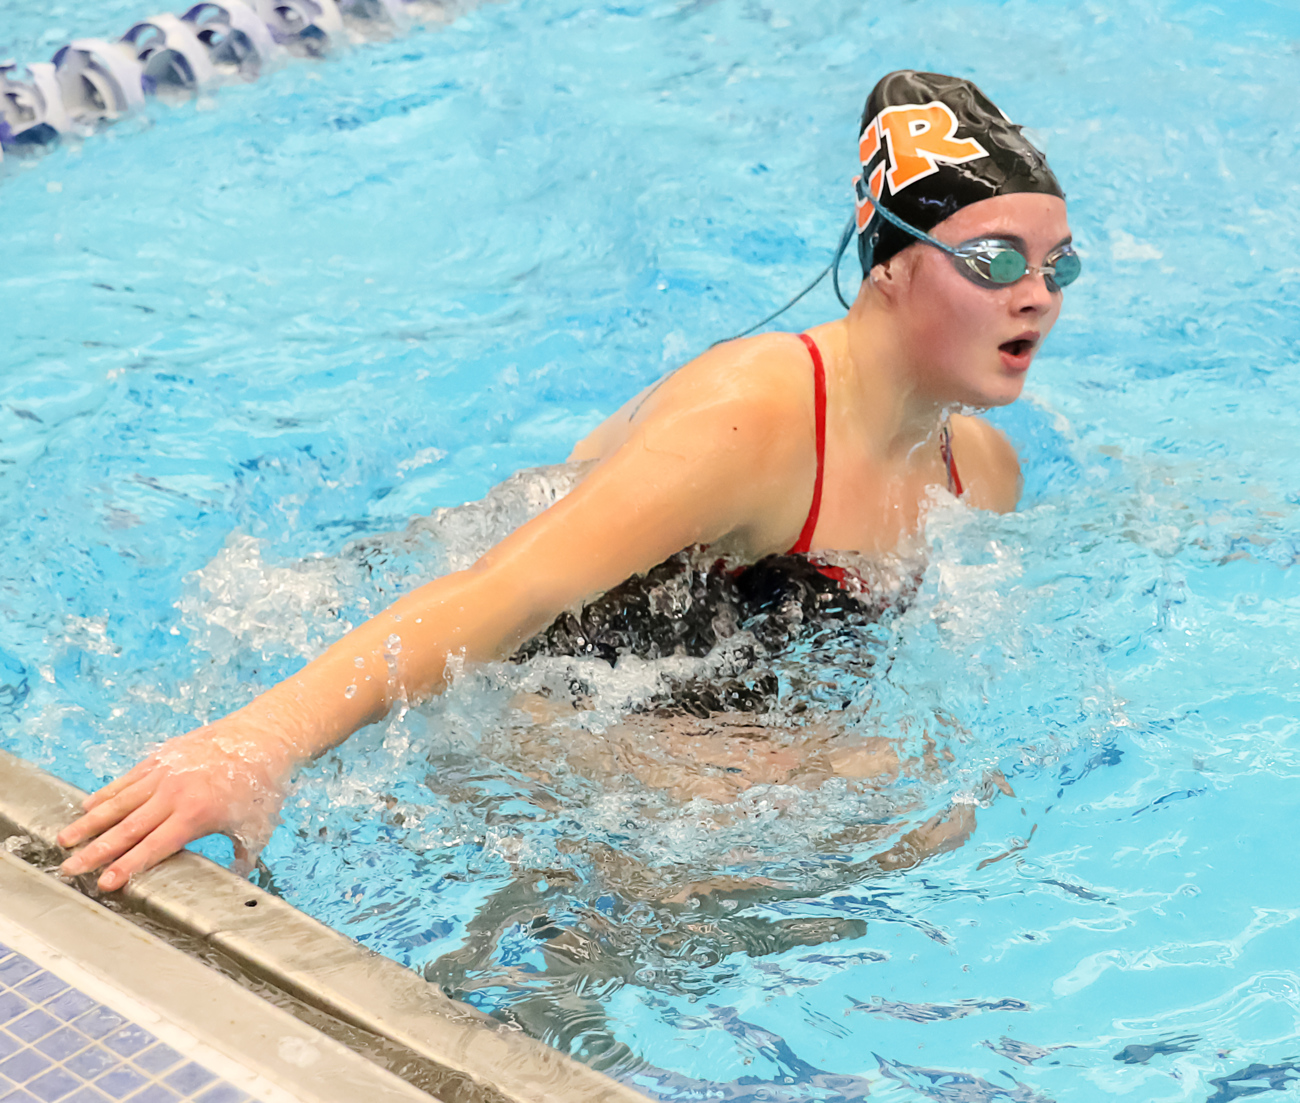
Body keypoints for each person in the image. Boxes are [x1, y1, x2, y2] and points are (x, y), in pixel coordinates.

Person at [57, 70, 1079, 893]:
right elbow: (506, 597)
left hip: (683, 712)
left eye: (1057, 267)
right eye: (995, 260)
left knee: (918, 814)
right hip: (518, 684)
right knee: (839, 813)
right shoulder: (756, 415)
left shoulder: (978, 472)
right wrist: (255, 745)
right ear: (889, 263)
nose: (1036, 296)